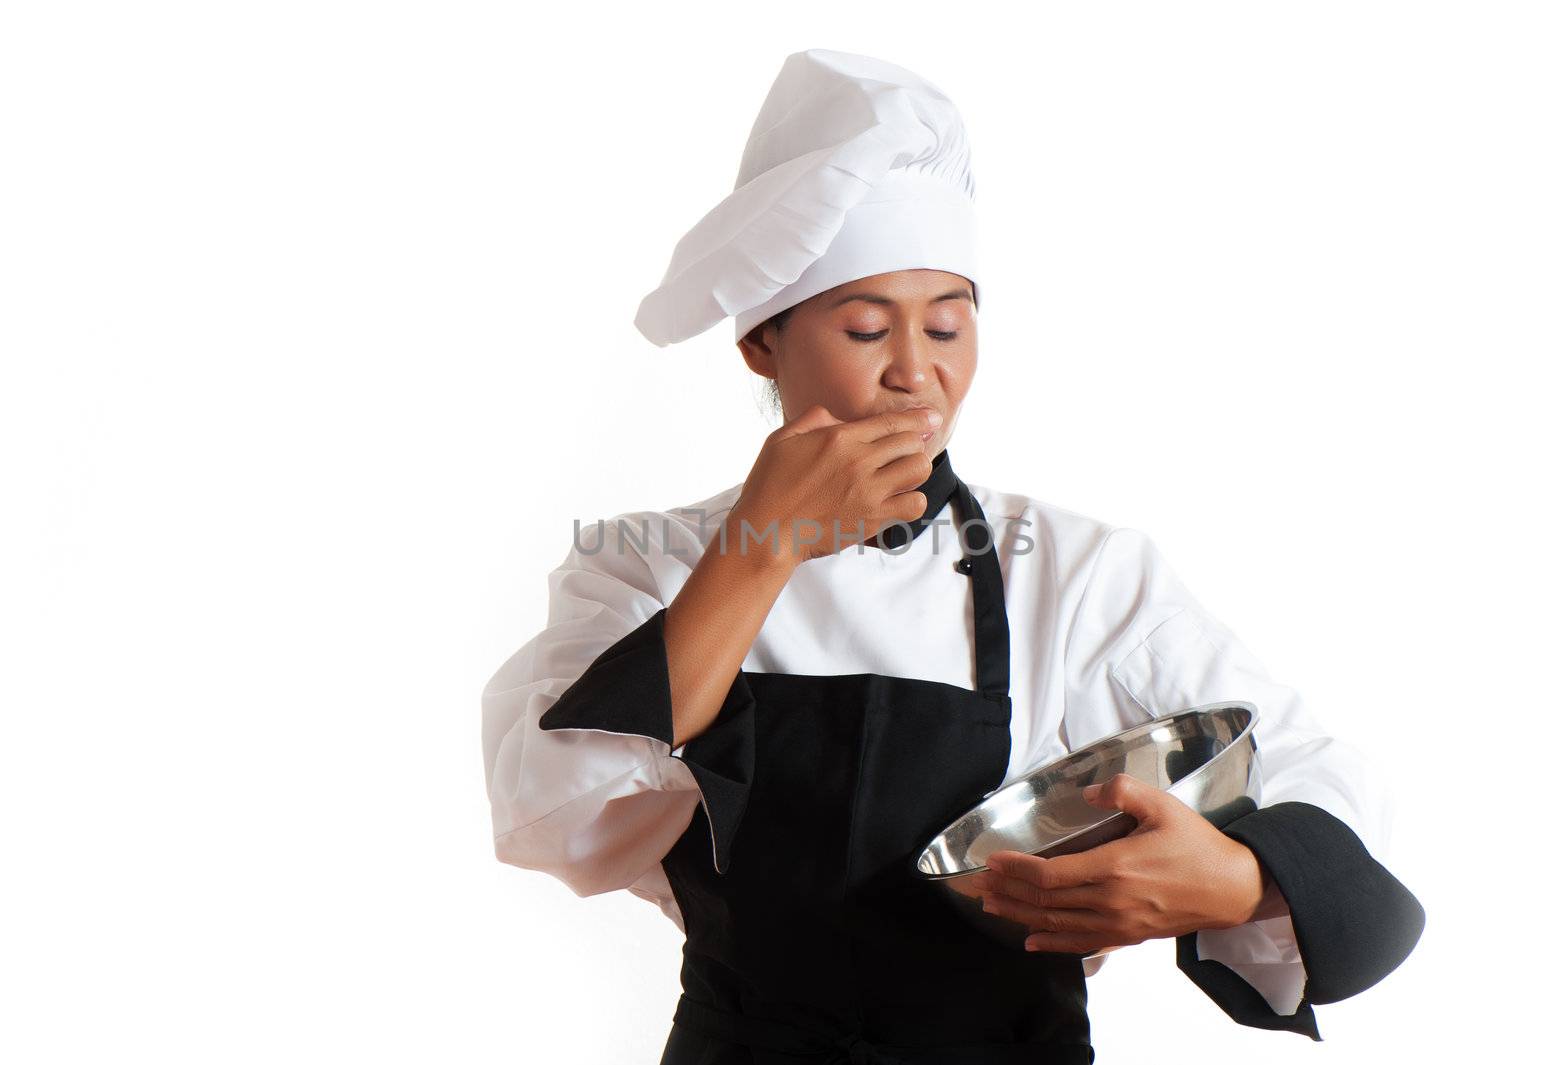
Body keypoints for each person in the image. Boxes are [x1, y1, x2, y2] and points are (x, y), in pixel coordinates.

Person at [482, 48, 1424, 1064]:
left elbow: (1309, 777)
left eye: (945, 325)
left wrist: (1239, 878)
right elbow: (549, 812)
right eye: (862, 327)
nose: (914, 375)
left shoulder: (1075, 569)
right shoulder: (647, 563)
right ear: (762, 343)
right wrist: (761, 552)